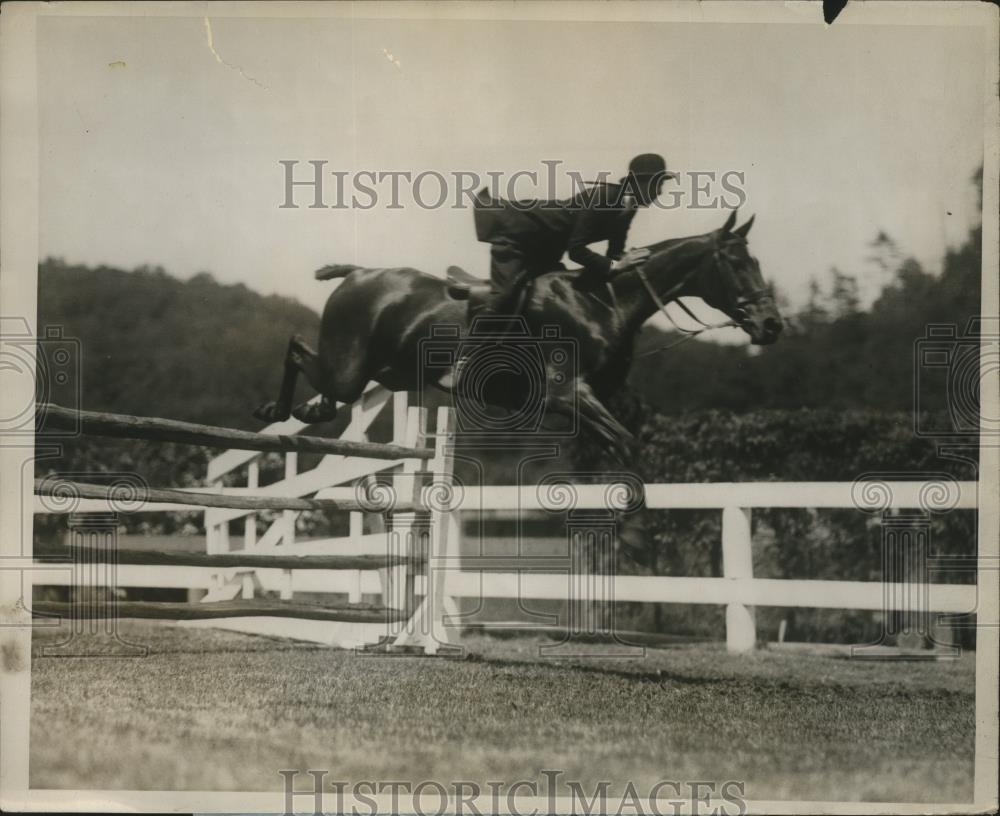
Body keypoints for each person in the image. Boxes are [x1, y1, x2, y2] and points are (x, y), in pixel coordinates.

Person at [472, 153, 677, 313]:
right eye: (658, 184)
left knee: (555, 299)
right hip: (516, 241)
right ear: (640, 183)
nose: (660, 191)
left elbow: (614, 254)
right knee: (503, 299)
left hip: (546, 250)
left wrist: (634, 263)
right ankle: (465, 358)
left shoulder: (629, 207)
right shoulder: (604, 197)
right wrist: (617, 265)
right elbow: (576, 251)